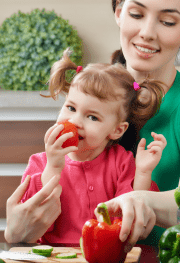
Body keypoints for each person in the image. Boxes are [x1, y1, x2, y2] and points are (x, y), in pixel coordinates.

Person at [5, 0, 180, 252]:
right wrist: (17, 229)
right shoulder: (89, 90)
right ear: (118, 11)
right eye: (136, 14)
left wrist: (136, 199)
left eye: (168, 22)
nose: (147, 32)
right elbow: (49, 206)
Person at [5, 49, 167, 244]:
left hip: (107, 254)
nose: (75, 121)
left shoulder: (121, 162)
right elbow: (32, 224)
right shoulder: (40, 163)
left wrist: (142, 172)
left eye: (92, 117)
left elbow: (131, 221)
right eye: (71, 108)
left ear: (117, 130)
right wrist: (53, 166)